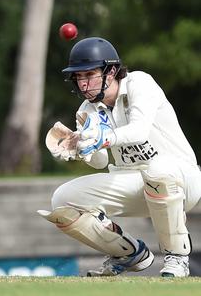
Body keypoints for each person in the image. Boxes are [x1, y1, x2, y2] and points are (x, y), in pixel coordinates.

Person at [41, 37, 201, 277]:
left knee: (157, 170)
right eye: (78, 77)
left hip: (181, 178)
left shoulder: (140, 83)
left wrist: (101, 138)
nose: (83, 84)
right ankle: (127, 253)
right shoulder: (86, 110)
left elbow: (138, 131)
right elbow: (102, 162)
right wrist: (81, 148)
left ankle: (177, 258)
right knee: (62, 200)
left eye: (89, 75)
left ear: (111, 71)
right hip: (133, 181)